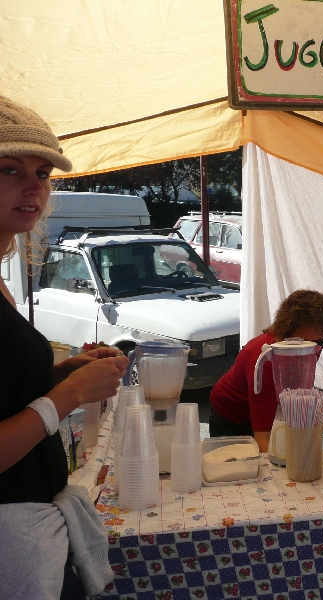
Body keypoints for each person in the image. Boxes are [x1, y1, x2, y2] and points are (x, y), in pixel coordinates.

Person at [0, 95, 130, 599]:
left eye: (43, 173)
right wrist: (70, 394)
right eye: (10, 170)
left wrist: (63, 372)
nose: (34, 186)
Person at [209, 289, 323, 452]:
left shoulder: (311, 347)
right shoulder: (265, 359)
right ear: (285, 336)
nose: (311, 351)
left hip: (267, 411)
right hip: (231, 418)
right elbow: (263, 439)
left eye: (319, 342)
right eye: (303, 343)